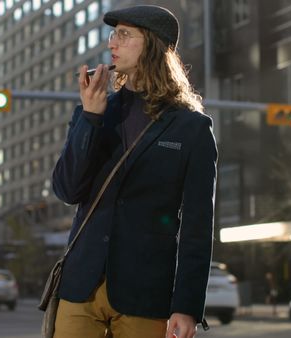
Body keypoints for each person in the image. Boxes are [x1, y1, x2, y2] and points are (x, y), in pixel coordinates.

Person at [51, 5, 217, 338]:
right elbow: (68, 190)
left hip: (144, 293)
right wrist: (91, 119)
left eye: (124, 35)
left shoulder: (191, 128)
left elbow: (198, 226)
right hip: (81, 285)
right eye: (113, 34)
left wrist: (186, 306)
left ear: (153, 44)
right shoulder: (94, 110)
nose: (112, 43)